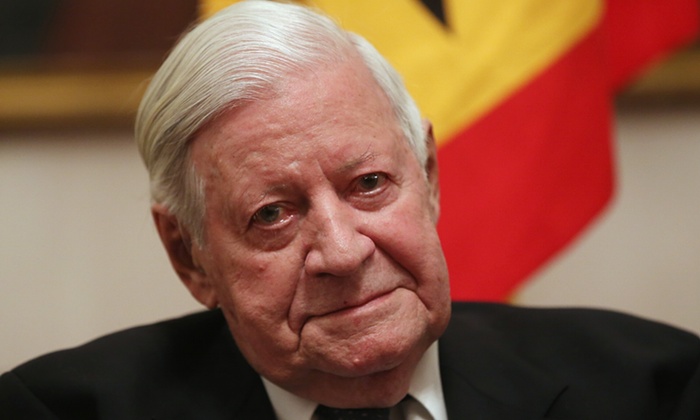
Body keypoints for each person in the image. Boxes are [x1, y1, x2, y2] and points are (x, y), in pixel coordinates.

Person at [1, 1, 699, 418]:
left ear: (428, 178)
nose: (342, 251)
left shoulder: (654, 388)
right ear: (190, 256)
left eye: (369, 184)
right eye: (271, 215)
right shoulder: (52, 412)